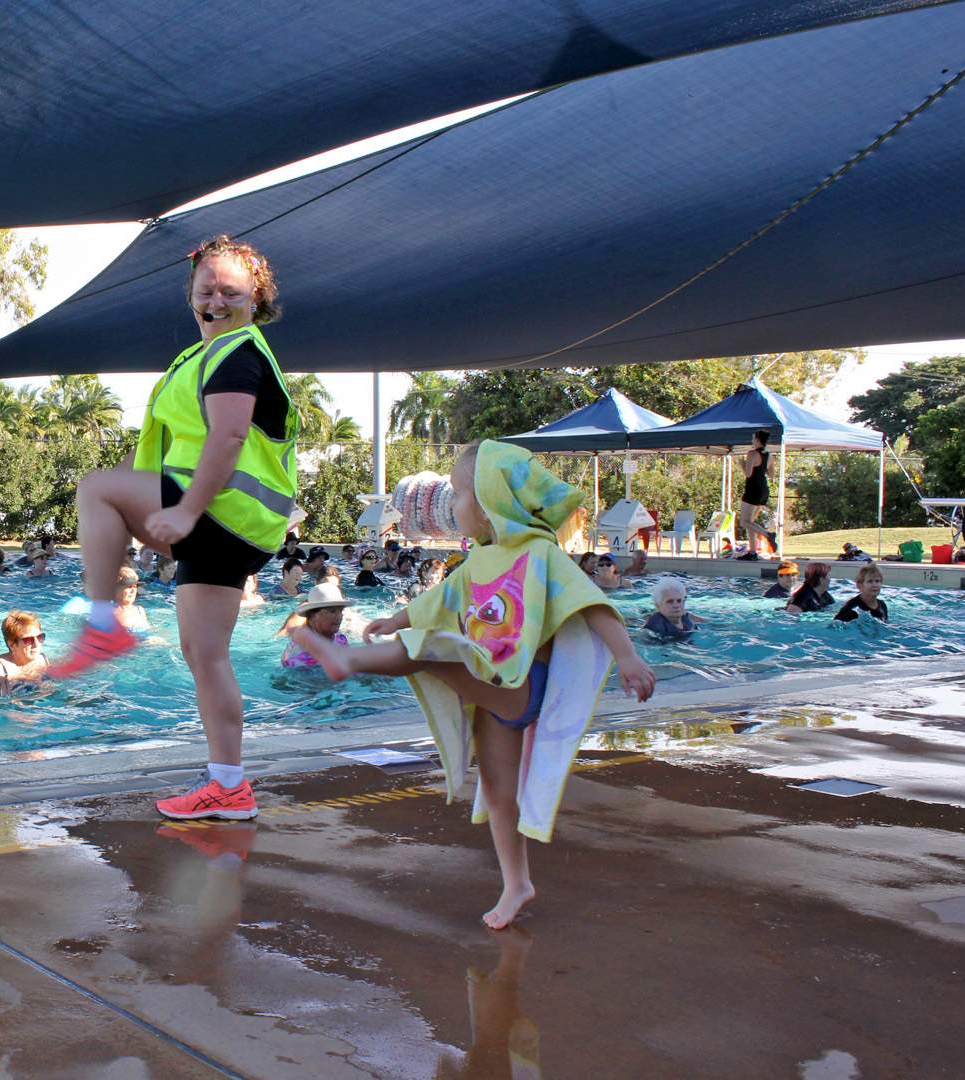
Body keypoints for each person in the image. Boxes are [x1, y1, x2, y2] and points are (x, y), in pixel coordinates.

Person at [290, 441, 655, 929]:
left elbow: (590, 604)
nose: (452, 504)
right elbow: (438, 600)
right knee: (498, 792)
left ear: (490, 503)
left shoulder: (540, 555)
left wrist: (627, 657)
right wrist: (396, 618)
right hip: (488, 690)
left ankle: (347, 661)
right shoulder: (481, 560)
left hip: (520, 684)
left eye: (460, 493)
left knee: (429, 649)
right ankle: (516, 883)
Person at [49, 234, 298, 822]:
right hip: (239, 529)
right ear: (190, 295)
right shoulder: (206, 355)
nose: (215, 296)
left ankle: (103, 624)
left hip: (218, 509)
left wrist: (183, 512)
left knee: (95, 488)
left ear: (255, 297)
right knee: (205, 655)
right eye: (204, 287)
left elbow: (229, 437)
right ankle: (229, 786)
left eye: (229, 288)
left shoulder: (237, 354)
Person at [0, 610, 48, 697]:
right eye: (28, 640)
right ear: (11, 644)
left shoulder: (42, 659)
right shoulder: (1, 668)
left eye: (40, 637)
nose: (36, 644)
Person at [281, 583, 351, 668]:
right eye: (332, 611)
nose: (339, 616)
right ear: (312, 615)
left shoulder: (340, 638)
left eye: (340, 611)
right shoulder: (299, 654)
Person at [740, 429, 778, 555]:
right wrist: (761, 469)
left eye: (752, 439)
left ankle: (768, 535)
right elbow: (772, 474)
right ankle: (752, 552)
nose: (752, 441)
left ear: (757, 440)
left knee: (744, 522)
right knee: (750, 522)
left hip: (753, 489)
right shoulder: (769, 455)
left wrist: (742, 464)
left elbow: (748, 473)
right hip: (763, 490)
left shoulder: (752, 453)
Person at [113, 567, 150, 633]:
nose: (133, 591)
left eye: (135, 586)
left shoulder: (140, 611)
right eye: (129, 587)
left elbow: (149, 633)